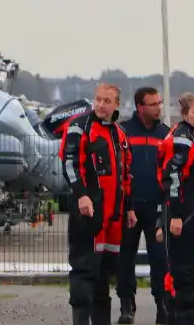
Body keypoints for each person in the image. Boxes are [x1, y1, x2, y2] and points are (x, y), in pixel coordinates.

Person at [61, 83, 137, 325]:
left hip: (114, 218)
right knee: (85, 273)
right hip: (89, 212)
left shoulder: (120, 133)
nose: (101, 104)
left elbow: (126, 174)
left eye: (107, 101)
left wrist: (129, 207)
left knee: (104, 277)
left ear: (116, 104)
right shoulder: (79, 126)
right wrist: (81, 194)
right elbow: (70, 163)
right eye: (98, 99)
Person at [157, 93, 194, 325]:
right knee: (184, 273)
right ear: (185, 115)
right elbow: (172, 176)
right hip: (187, 209)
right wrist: (176, 216)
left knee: (185, 269)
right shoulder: (184, 138)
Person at [115, 87, 171, 324]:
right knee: (124, 259)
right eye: (153, 104)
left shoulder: (166, 134)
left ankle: (162, 306)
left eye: (160, 103)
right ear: (140, 107)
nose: (159, 107)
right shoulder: (123, 132)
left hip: (158, 207)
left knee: (160, 259)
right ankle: (126, 305)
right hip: (129, 207)